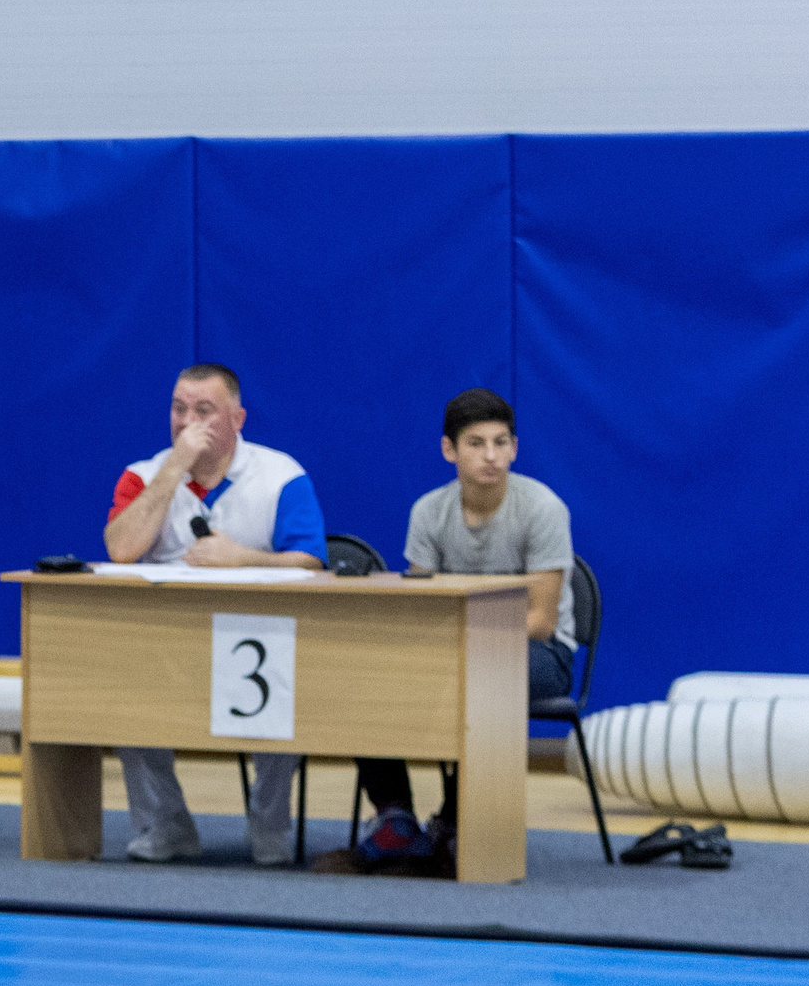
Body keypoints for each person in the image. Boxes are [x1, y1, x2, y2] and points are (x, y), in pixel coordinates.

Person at [102, 364, 327, 864]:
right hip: (168, 643)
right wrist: (174, 469)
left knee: (283, 694)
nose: (188, 423)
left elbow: (311, 560)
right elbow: (121, 549)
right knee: (120, 692)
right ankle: (166, 826)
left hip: (257, 640)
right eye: (179, 410)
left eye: (204, 411)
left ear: (238, 417)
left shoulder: (281, 475)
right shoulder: (144, 474)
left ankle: (269, 829)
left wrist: (243, 557)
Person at [350, 388, 575, 869]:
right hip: (457, 647)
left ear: (515, 448)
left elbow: (540, 621)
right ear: (449, 450)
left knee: (483, 678)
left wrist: (462, 648)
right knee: (367, 677)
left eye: (500, 443)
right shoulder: (429, 512)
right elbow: (419, 611)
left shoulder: (543, 509)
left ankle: (456, 820)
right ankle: (396, 819)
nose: (491, 456)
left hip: (542, 654)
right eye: (476, 443)